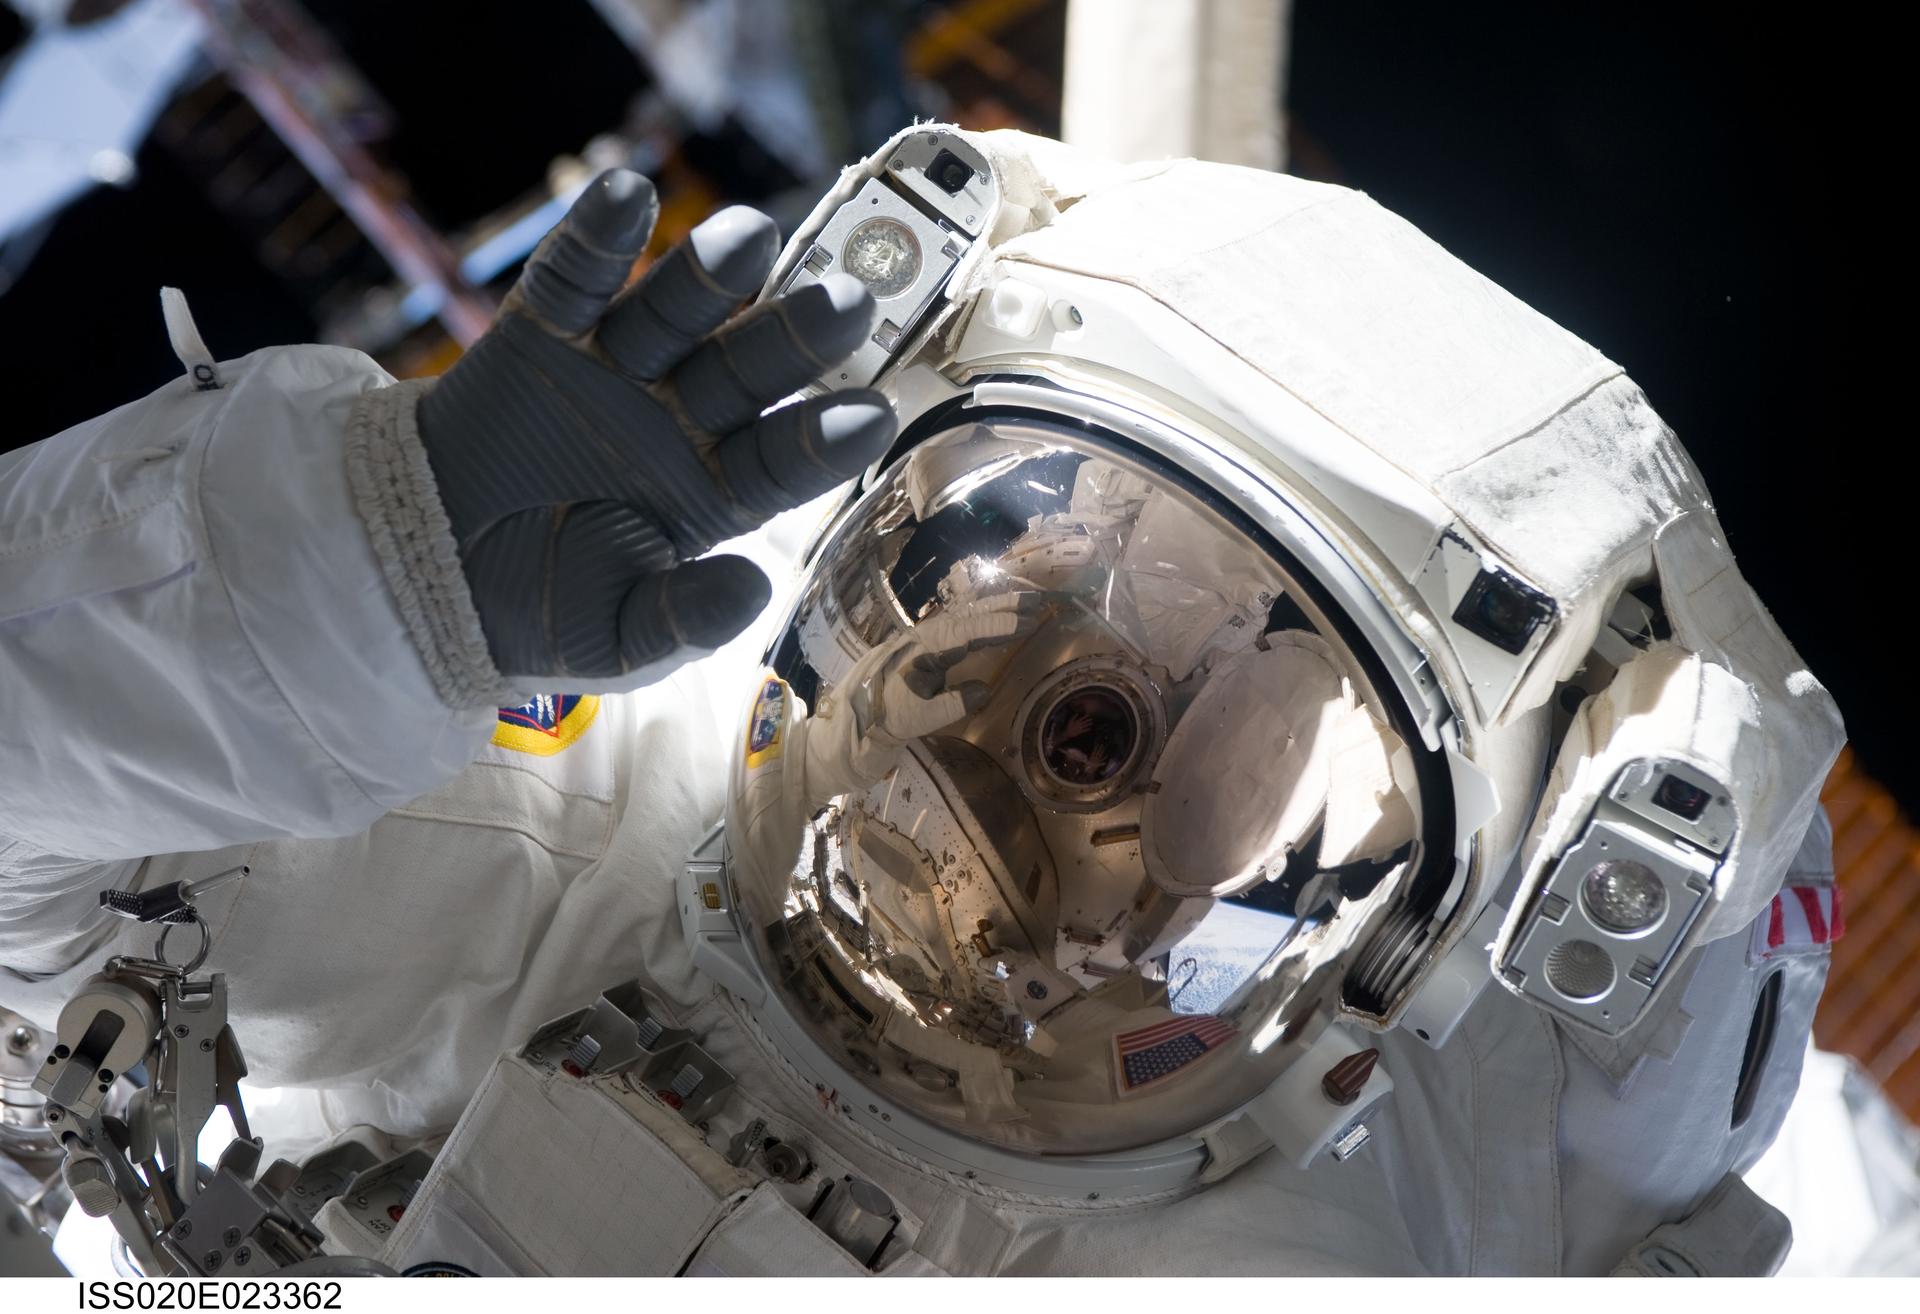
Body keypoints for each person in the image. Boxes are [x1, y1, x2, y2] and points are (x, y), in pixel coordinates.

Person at [0, 126, 1870, 1276]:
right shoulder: (534, 850)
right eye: (1040, 585)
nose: (1055, 754)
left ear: (1396, 976)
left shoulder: (1318, 1244)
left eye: (1194, 726)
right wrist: (348, 577)